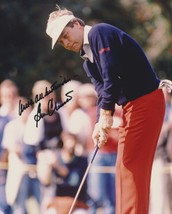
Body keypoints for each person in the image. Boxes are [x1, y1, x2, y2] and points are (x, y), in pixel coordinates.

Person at [45, 6, 172, 214]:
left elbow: (110, 75)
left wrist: (106, 117)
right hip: (132, 107)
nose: (66, 43)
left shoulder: (98, 33)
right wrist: (99, 124)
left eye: (65, 35)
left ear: (76, 24)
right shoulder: (87, 61)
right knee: (123, 167)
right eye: (61, 42)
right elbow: (103, 91)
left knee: (131, 166)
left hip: (146, 102)